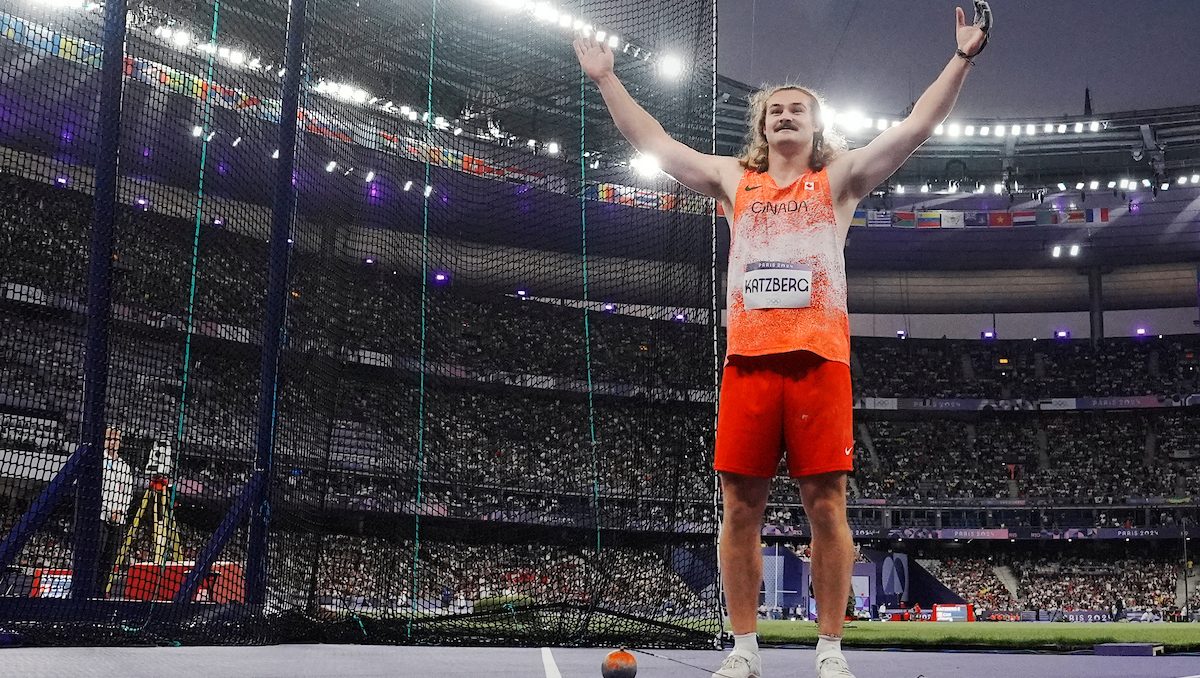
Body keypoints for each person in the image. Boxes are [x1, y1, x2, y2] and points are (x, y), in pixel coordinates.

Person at [573, 3, 990, 676]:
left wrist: (962, 58)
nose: (787, 116)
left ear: (816, 124)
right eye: (776, 111)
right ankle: (743, 650)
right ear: (762, 126)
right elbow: (655, 143)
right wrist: (606, 81)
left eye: (798, 109)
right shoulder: (735, 181)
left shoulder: (841, 180)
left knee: (827, 506)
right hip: (749, 363)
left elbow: (917, 126)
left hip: (820, 361)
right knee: (741, 508)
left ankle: (830, 649)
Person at [98, 426, 135, 596]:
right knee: (95, 557)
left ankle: (100, 592)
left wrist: (120, 511)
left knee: (109, 560)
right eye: (109, 439)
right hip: (100, 518)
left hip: (118, 520)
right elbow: (98, 492)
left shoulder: (125, 467)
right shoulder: (98, 463)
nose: (113, 442)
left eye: (116, 439)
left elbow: (128, 494)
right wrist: (109, 510)